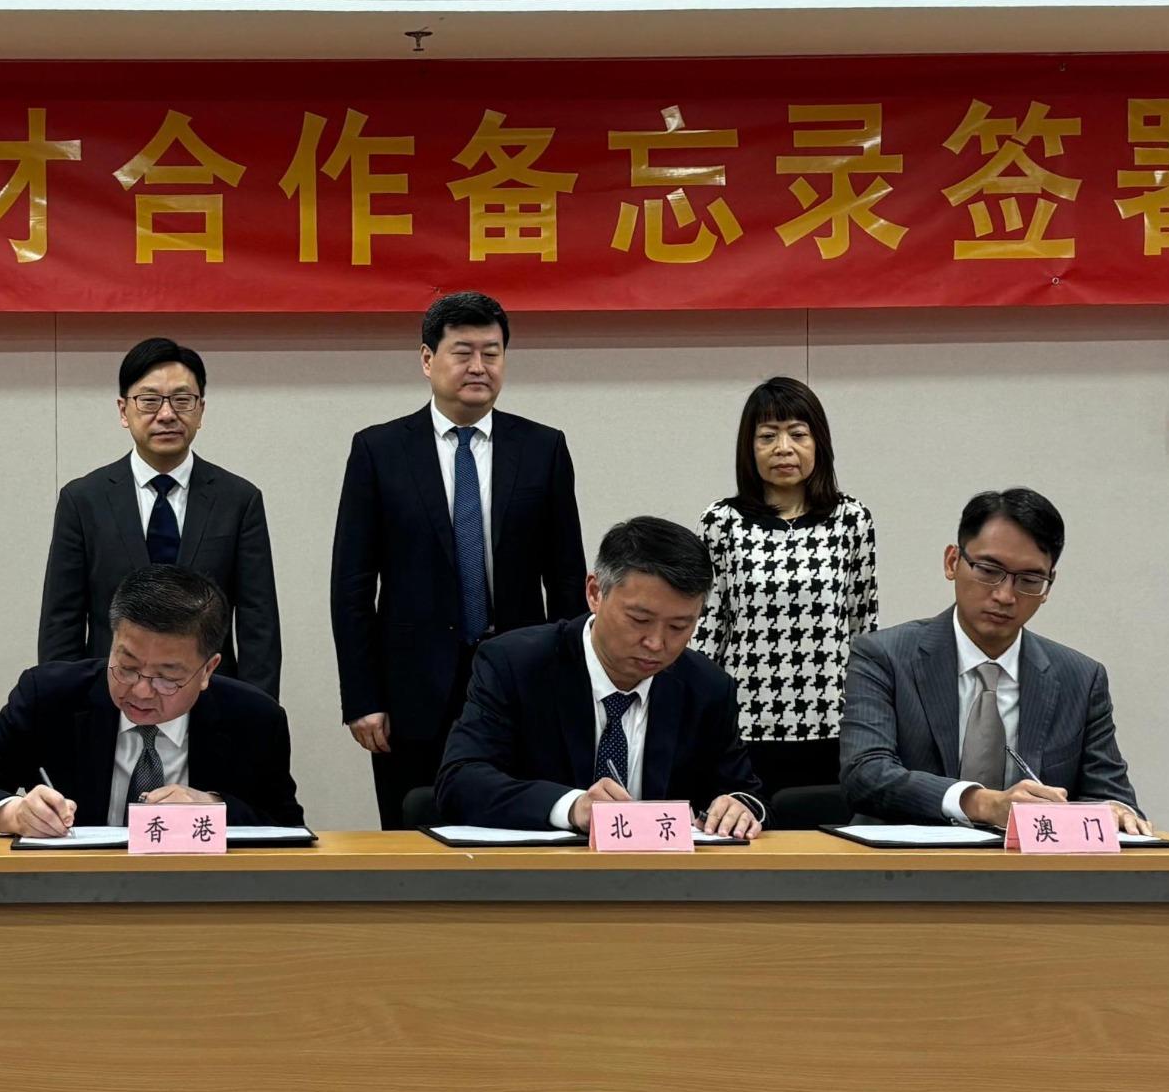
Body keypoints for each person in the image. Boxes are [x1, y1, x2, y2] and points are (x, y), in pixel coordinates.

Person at [330, 291, 586, 828]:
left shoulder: (543, 448)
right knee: (412, 829)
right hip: (410, 691)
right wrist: (362, 697)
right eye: (462, 351)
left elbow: (566, 580)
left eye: (491, 353)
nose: (478, 367)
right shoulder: (379, 450)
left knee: (520, 826)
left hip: (521, 680)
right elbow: (352, 587)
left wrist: (571, 685)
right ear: (428, 360)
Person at [838, 487, 1149, 834]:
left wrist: (1117, 812)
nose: (1004, 595)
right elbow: (865, 773)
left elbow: (1111, 794)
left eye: (1029, 580)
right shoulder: (884, 656)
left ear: (1048, 586)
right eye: (989, 570)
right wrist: (984, 804)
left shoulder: (1081, 678)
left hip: (1031, 878)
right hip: (905, 873)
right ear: (952, 562)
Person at [437, 516, 766, 838]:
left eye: (679, 627)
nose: (657, 643)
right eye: (639, 620)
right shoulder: (516, 664)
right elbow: (460, 781)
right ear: (595, 593)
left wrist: (739, 806)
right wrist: (572, 806)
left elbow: (746, 793)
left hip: (666, 884)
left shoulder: (706, 686)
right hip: (540, 878)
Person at [0, 565, 303, 836]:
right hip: (73, 908)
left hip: (202, 912)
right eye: (127, 666)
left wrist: (215, 808)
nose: (139, 691)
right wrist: (15, 814)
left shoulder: (253, 718)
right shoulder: (51, 696)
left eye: (167, 678)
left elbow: (290, 828)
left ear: (208, 670)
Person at [38, 337, 282, 698]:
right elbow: (62, 622)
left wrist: (255, 714)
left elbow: (259, 624)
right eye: (149, 400)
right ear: (124, 410)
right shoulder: (83, 500)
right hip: (110, 699)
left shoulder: (239, 500)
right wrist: (61, 707)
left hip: (210, 700)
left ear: (200, 410)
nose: (167, 414)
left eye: (182, 400)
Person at [696, 375, 880, 797]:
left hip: (832, 719)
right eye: (767, 436)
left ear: (819, 443)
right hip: (744, 719)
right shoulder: (721, 522)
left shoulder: (852, 519)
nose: (783, 448)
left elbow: (863, 624)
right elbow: (707, 629)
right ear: (749, 447)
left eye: (798, 434)